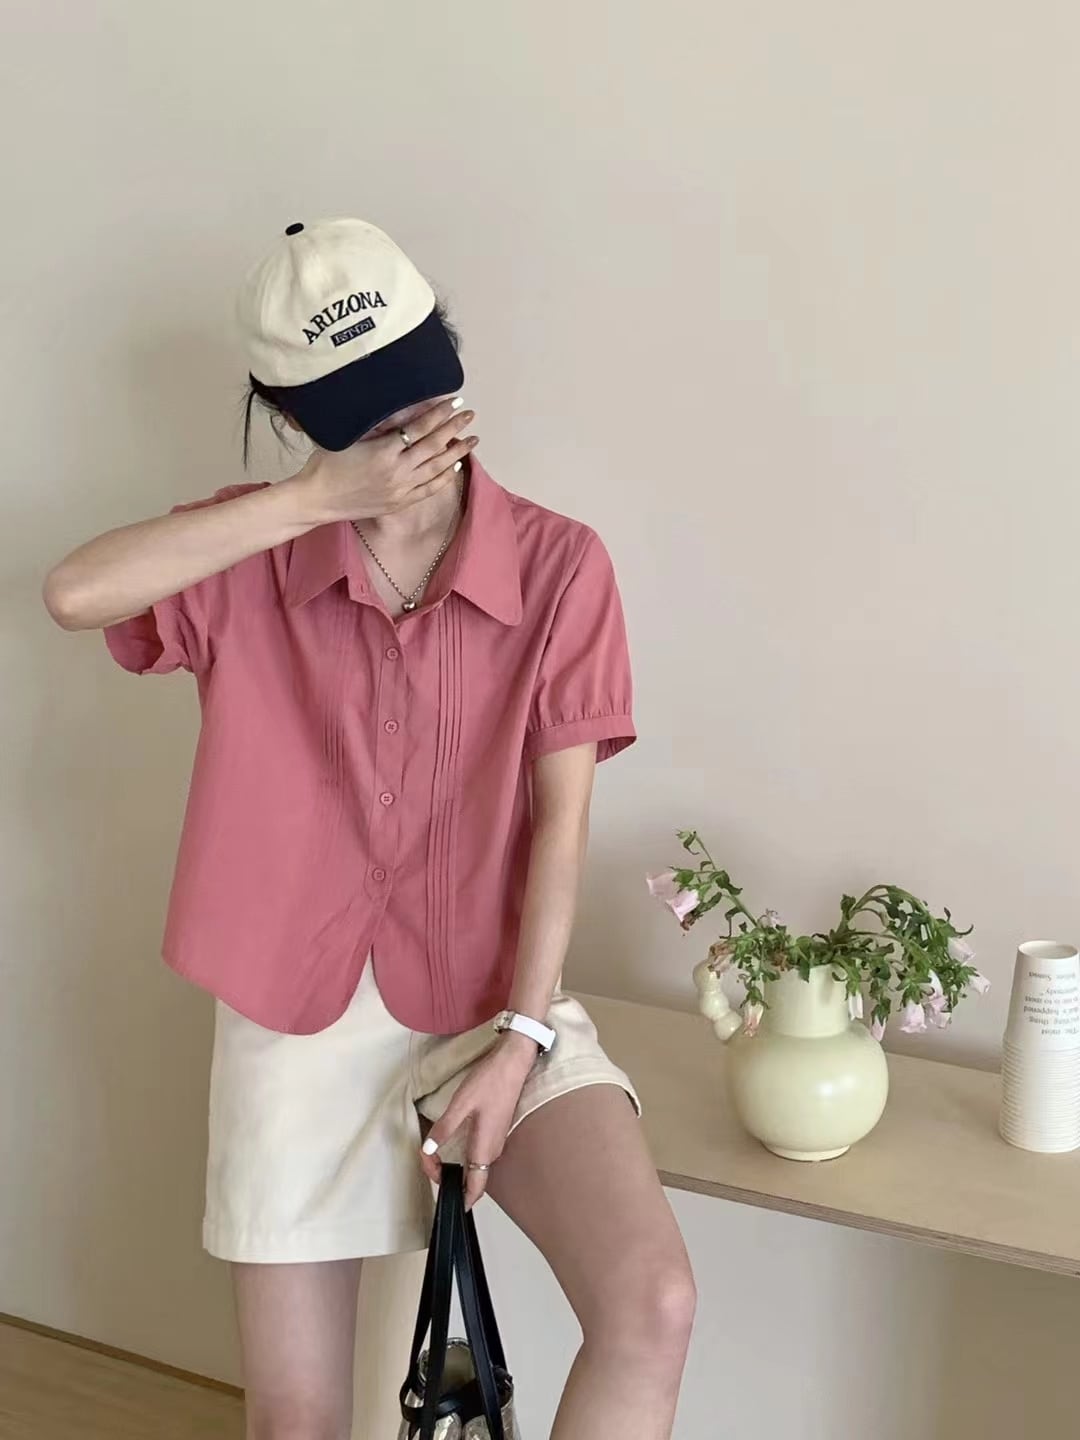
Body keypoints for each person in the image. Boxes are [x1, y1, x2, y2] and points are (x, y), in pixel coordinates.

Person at [43, 217, 695, 1440]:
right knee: (297, 1418)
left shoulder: (559, 566)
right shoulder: (251, 552)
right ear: (296, 419)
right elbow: (76, 593)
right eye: (363, 414)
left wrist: (521, 1038)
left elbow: (561, 828)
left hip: (495, 999)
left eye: (418, 388)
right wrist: (307, 503)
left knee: (651, 1302)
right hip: (293, 1008)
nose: (408, 433)